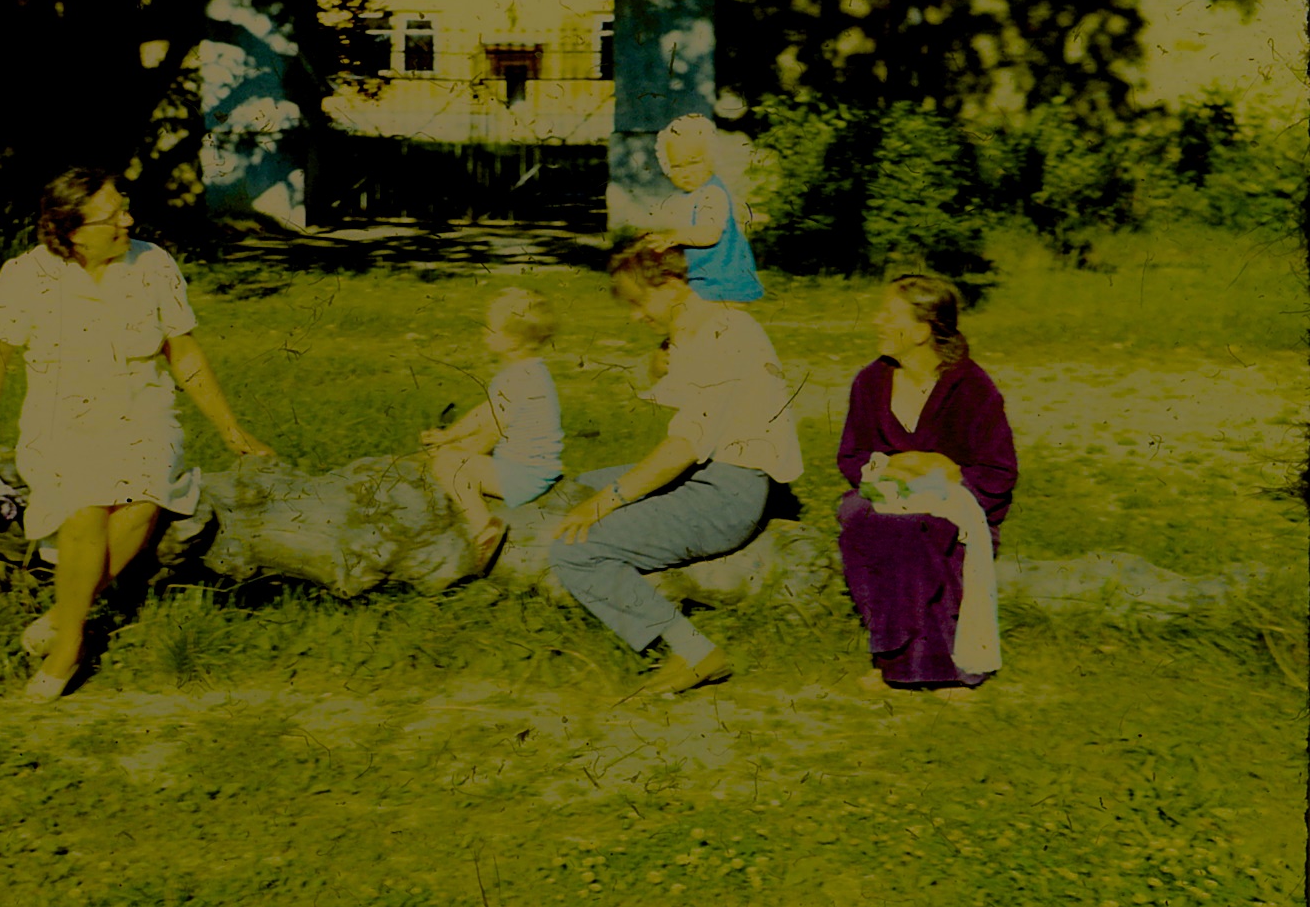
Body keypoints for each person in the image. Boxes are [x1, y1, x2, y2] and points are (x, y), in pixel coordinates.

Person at [0, 167, 271, 701]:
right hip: (60, 416)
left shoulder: (153, 264)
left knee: (142, 500)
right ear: (73, 231)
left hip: (143, 410)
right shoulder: (25, 275)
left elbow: (183, 351)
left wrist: (231, 428)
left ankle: (64, 626)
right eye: (113, 215)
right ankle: (74, 634)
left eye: (125, 207)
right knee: (85, 509)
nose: (128, 220)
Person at [550, 242, 802, 698]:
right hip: (714, 473)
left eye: (638, 302)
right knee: (578, 487)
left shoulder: (724, 337)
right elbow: (679, 388)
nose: (634, 316)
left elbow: (684, 445)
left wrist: (607, 502)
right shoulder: (711, 326)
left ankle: (692, 652)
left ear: (671, 285)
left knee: (577, 549)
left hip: (726, 493)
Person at [837, 274, 1018, 698]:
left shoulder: (972, 388)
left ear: (921, 332)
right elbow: (851, 455)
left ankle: (946, 669)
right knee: (860, 516)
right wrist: (891, 467)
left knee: (920, 529)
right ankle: (895, 659)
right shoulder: (871, 382)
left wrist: (946, 472)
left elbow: (998, 472)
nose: (877, 321)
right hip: (887, 497)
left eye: (889, 315)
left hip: (958, 507)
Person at [423, 287, 563, 571]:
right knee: (451, 453)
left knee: (447, 465)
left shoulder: (518, 380)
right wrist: (450, 435)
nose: (483, 332)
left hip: (522, 475)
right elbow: (485, 411)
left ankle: (484, 527)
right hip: (534, 466)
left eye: (490, 328)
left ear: (513, 341)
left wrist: (457, 451)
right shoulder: (527, 372)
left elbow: (492, 432)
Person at [647, 114, 763, 304]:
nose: (686, 173)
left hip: (722, 280)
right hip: (704, 279)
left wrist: (674, 236)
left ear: (710, 160)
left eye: (693, 163)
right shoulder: (689, 196)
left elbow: (709, 234)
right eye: (677, 166)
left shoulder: (712, 193)